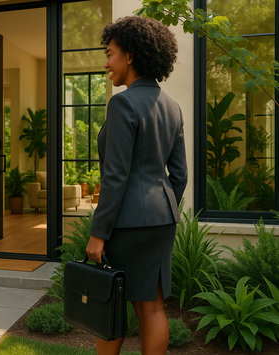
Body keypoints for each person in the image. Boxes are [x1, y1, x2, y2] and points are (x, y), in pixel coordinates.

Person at [85, 16, 188, 355]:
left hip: (125, 224)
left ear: (130, 56)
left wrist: (99, 233)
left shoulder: (123, 103)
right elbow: (180, 174)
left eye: (110, 53)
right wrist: (162, 204)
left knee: (110, 301)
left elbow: (115, 176)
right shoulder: (172, 106)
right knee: (153, 306)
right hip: (162, 219)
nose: (106, 62)